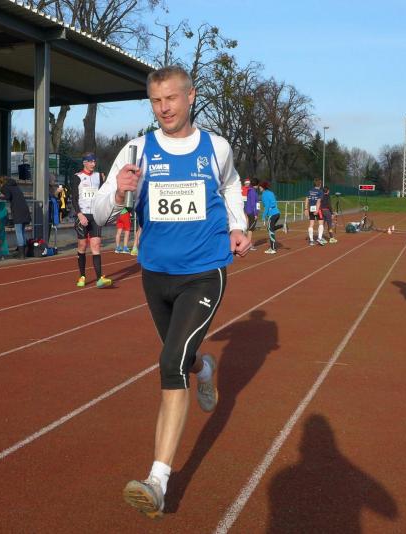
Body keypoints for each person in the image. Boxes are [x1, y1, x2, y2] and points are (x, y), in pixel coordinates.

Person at [92, 65, 250, 518]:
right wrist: (117, 193)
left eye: (171, 99)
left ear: (191, 96)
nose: (164, 108)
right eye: (156, 101)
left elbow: (231, 186)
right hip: (156, 274)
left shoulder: (216, 147)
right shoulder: (136, 149)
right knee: (181, 359)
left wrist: (238, 226)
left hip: (204, 271)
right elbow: (100, 213)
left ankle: (158, 481)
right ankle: (205, 368)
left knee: (169, 363)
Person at [71, 153, 111, 288]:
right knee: (82, 245)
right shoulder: (77, 177)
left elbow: (104, 194)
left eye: (94, 161)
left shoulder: (99, 176)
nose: (93, 164)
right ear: (84, 163)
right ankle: (82, 276)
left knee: (96, 245)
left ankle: (99, 278)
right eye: (90, 162)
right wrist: (79, 214)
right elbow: (74, 198)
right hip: (82, 215)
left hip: (95, 215)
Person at [0, 176, 32, 259]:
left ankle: (21, 254)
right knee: (22, 232)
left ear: (1, 183)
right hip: (24, 209)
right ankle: (23, 253)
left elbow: (8, 197)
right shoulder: (16, 186)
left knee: (19, 232)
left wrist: (0, 192)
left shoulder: (5, 187)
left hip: (18, 211)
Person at [257, 181, 286, 254]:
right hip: (277, 213)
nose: (259, 188)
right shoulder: (271, 193)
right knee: (270, 229)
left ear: (263, 187)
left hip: (272, 214)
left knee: (270, 230)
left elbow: (267, 206)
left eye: (260, 186)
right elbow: (273, 203)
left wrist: (263, 216)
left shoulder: (264, 194)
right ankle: (282, 225)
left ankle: (273, 249)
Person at [307, 179, 326, 245]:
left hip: (310, 209)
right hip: (318, 209)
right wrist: (317, 210)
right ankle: (319, 238)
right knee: (321, 223)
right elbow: (318, 201)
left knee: (311, 224)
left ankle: (311, 240)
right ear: (320, 184)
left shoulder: (310, 191)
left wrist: (306, 209)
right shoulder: (320, 192)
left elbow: (306, 199)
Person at [244, 178, 259, 251]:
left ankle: (246, 243)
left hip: (249, 211)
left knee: (249, 228)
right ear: (256, 185)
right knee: (251, 229)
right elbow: (253, 204)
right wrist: (256, 214)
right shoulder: (253, 192)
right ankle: (248, 245)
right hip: (252, 212)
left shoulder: (250, 191)